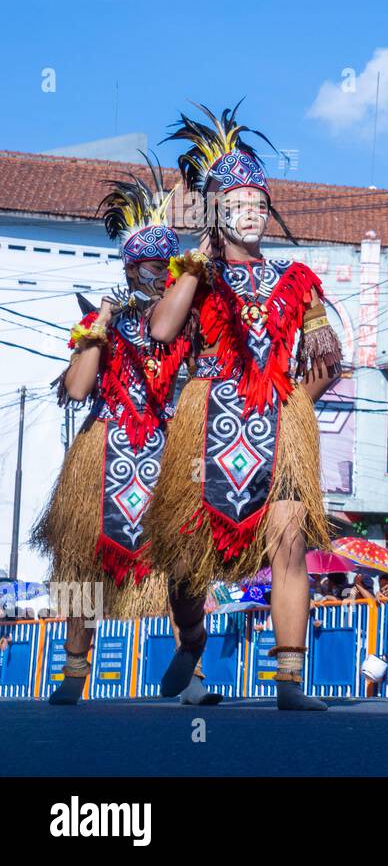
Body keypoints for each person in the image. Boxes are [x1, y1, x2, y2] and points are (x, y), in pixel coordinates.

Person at [143, 104, 343, 711]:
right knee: (183, 554)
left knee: (288, 542)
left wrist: (293, 410)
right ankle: (194, 635)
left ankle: (289, 683)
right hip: (208, 425)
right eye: (238, 203)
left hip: (278, 427)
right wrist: (194, 264)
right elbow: (160, 330)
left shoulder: (296, 279)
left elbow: (328, 363)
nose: (252, 213)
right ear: (216, 211)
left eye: (260, 202)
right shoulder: (196, 275)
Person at [34, 158, 217, 706]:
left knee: (183, 565)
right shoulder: (102, 320)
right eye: (143, 265)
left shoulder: (189, 321)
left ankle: (192, 651)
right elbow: (75, 388)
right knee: (83, 558)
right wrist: (96, 332)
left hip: (168, 449)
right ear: (127, 268)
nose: (153, 273)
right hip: (105, 445)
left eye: (163, 265)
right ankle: (72, 671)